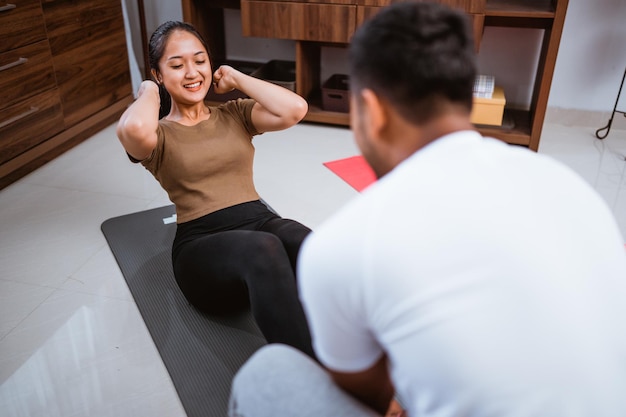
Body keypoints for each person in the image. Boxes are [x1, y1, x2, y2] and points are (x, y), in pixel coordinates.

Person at [228, 2, 626, 417]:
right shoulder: (567, 184)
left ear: (373, 111)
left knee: (268, 372)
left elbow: (371, 400)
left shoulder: (342, 248)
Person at [116, 21, 315, 358]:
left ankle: (367, 343)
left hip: (257, 223)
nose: (192, 72)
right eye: (177, 66)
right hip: (201, 251)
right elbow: (133, 128)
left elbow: (294, 109)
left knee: (301, 238)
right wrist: (149, 89)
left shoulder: (234, 114)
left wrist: (236, 78)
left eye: (200, 60)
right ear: (159, 73)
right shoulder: (158, 135)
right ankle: (310, 375)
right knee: (263, 247)